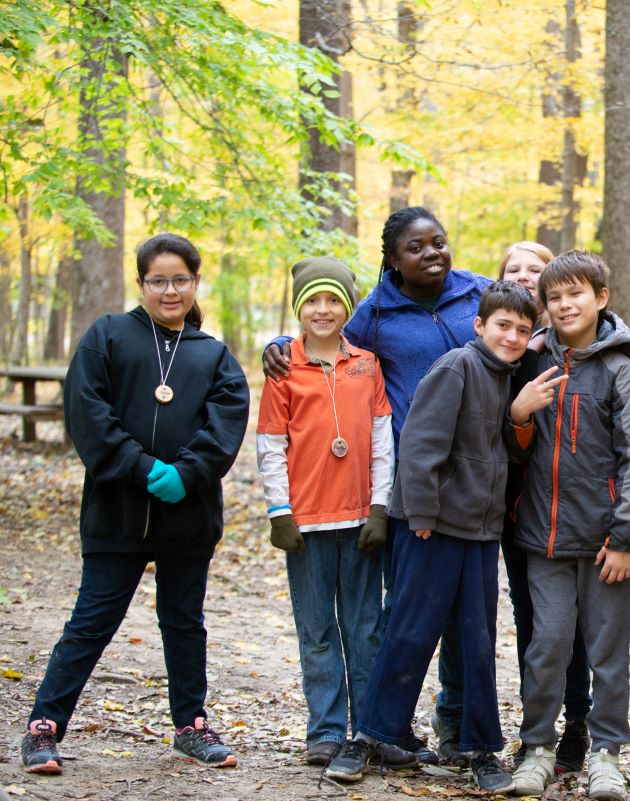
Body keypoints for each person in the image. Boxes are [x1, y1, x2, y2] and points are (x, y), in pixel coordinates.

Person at [263, 207, 490, 767]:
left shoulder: (480, 295)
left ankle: (457, 729)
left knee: (468, 620)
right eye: (416, 248)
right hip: (414, 489)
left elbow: (536, 326)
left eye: (439, 241)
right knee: (406, 613)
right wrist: (278, 341)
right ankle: (379, 728)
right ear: (392, 260)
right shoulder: (375, 313)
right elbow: (327, 340)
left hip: (483, 480)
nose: (432, 253)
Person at [20, 234, 250, 774]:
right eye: (157, 280)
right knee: (91, 620)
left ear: (195, 282)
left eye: (180, 280)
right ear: (141, 283)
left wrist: (187, 472)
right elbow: (87, 412)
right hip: (116, 513)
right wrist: (141, 467)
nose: (169, 290)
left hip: (187, 517)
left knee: (184, 621)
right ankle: (44, 727)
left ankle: (191, 727)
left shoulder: (213, 355)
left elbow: (224, 427)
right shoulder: (107, 337)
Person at [329, 282, 558, 788]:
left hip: (480, 531)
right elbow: (420, 445)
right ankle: (367, 737)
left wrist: (520, 414)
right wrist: (424, 517)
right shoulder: (457, 365)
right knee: (410, 631)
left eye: (523, 330)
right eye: (503, 325)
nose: (513, 336)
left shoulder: (509, 377)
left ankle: (480, 749)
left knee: (476, 641)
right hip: (429, 526)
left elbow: (512, 456)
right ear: (479, 325)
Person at [508, 251, 630, 801]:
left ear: (600, 298)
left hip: (604, 545)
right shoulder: (533, 358)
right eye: (555, 297)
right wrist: (519, 415)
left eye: (576, 294)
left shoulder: (620, 368)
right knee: (546, 645)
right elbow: (515, 448)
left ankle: (608, 754)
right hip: (543, 540)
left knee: (607, 651)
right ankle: (538, 749)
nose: (565, 305)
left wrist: (625, 539)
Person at [256, 257, 393, 768]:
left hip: (359, 519)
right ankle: (327, 729)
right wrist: (279, 512)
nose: (322, 309)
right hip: (307, 524)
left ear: (347, 307)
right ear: (298, 307)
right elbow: (271, 443)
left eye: (333, 299)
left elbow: (383, 442)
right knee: (315, 630)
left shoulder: (367, 365)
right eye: (312, 300)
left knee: (365, 628)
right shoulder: (282, 367)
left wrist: (380, 506)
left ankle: (369, 728)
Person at [496, 242, 593, 772]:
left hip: (571, 512)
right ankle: (536, 729)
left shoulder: (580, 344)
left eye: (537, 270)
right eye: (516, 270)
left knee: (572, 624)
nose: (526, 277)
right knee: (532, 622)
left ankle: (577, 722)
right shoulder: (507, 350)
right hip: (515, 510)